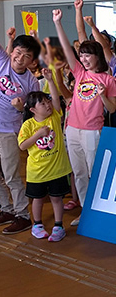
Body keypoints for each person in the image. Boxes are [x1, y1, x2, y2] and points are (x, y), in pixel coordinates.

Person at [53, 8, 116, 227]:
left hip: (93, 130)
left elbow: (113, 108)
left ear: (98, 56)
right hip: (72, 128)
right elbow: (66, 51)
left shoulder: (108, 79)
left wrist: (102, 95)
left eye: (88, 55)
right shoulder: (80, 73)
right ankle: (85, 210)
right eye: (82, 55)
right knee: (79, 173)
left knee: (94, 172)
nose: (83, 59)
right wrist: (58, 24)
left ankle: (98, 210)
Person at [18, 68, 72, 242]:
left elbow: (56, 99)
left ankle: (58, 226)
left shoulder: (54, 117)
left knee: (57, 198)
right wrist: (37, 135)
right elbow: (22, 145)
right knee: (37, 199)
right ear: (33, 109)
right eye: (42, 104)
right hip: (37, 172)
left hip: (57, 170)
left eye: (47, 101)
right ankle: (37, 224)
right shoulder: (27, 125)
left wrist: (50, 80)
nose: (48, 105)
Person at [0, 34, 41, 234]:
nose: (20, 58)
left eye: (26, 56)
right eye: (18, 52)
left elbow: (33, 113)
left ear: (32, 61)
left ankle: (23, 215)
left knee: (11, 175)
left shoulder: (33, 83)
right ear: (12, 51)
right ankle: (5, 209)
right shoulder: (3, 61)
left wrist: (20, 108)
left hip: (9, 131)